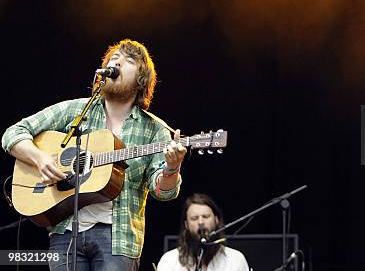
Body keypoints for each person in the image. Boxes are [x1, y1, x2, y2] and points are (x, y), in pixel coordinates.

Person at [2, 39, 187, 270]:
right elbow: (13, 133)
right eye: (113, 58)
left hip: (117, 240)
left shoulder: (154, 130)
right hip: (65, 232)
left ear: (142, 80)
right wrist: (41, 159)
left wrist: (172, 167)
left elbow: (164, 193)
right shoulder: (77, 110)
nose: (117, 62)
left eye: (128, 61)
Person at [157, 193, 249, 271]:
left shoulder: (236, 259)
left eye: (205, 216)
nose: (200, 222)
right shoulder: (169, 260)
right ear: (186, 224)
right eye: (194, 218)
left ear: (216, 220)